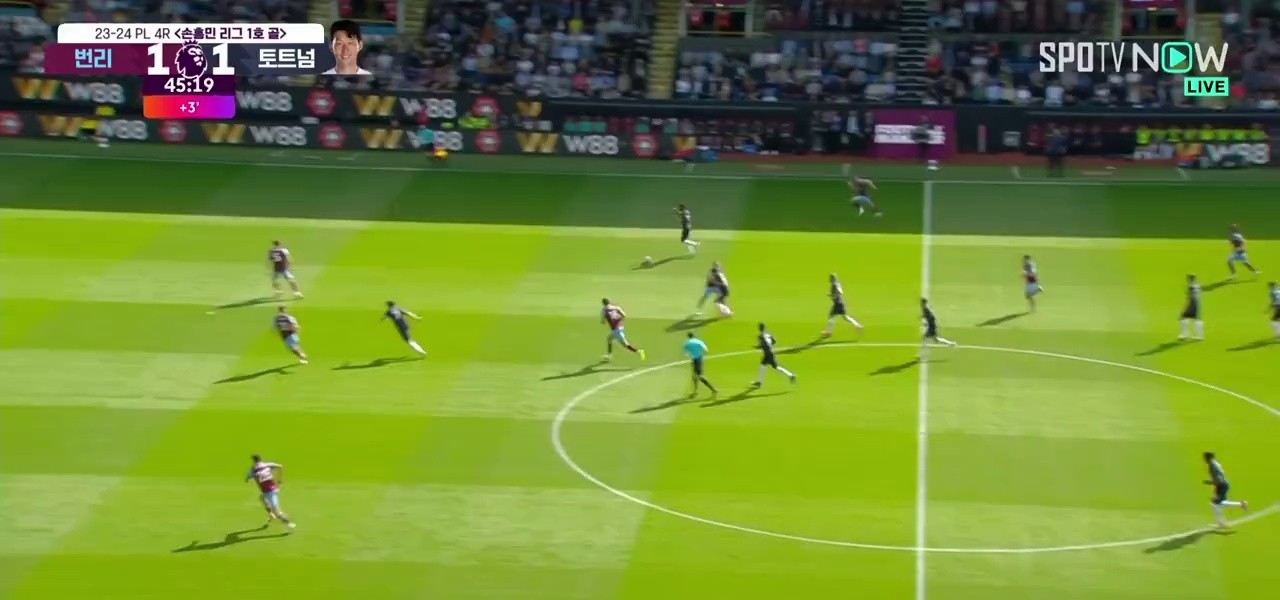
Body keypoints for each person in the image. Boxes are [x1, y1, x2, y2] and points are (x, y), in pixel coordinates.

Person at [246, 455, 297, 528]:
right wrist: (280, 479)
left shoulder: (254, 470)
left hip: (270, 493)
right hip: (270, 490)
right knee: (262, 498)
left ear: (254, 461)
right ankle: (271, 514)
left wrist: (248, 477)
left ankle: (289, 523)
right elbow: (280, 466)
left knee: (277, 512)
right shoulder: (268, 465)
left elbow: (248, 477)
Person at [1202, 451, 1248, 528]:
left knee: (1215, 504)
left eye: (1205, 458)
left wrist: (1210, 482)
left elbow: (1219, 479)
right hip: (1222, 485)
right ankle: (1241, 505)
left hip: (1221, 485)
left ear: (1208, 458)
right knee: (1219, 503)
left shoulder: (1212, 466)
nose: (1204, 459)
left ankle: (1221, 523)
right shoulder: (1214, 464)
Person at [682, 332, 718, 397]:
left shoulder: (687, 343)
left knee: (699, 376)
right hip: (699, 359)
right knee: (694, 376)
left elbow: (686, 353)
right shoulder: (699, 341)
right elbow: (705, 350)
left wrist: (691, 354)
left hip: (694, 360)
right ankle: (695, 392)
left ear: (688, 336)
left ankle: (713, 389)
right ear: (694, 336)